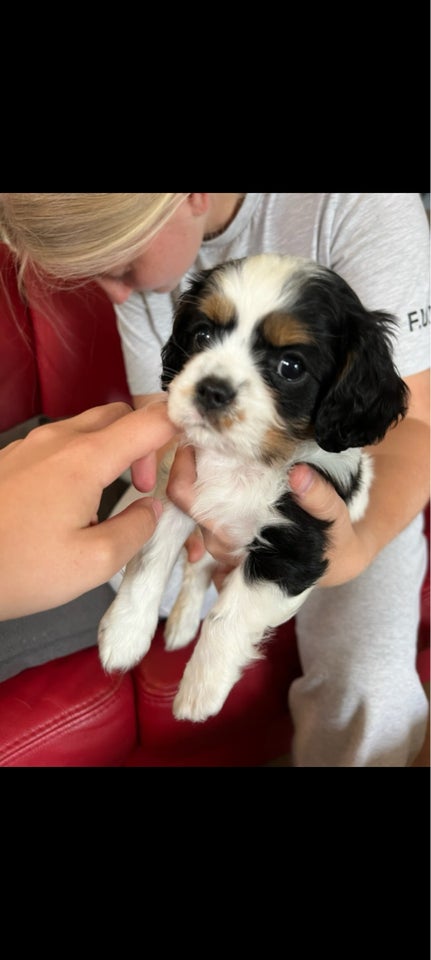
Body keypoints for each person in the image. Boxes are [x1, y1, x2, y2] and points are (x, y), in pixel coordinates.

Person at [0, 193, 429, 767]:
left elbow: (415, 428)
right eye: (204, 337)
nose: (118, 295)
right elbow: (170, 431)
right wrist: (195, 552)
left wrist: (355, 548)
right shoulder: (153, 273)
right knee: (94, 558)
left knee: (367, 679)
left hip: (358, 497)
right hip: (212, 479)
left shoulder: (359, 205)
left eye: (122, 268)